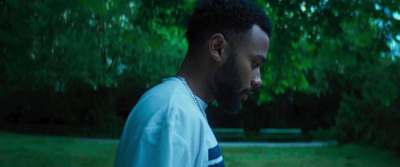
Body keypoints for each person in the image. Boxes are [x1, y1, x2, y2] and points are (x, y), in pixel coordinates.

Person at [114, 0, 272, 166]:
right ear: (218, 48)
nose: (258, 81)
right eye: (255, 64)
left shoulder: (183, 110)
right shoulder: (173, 115)